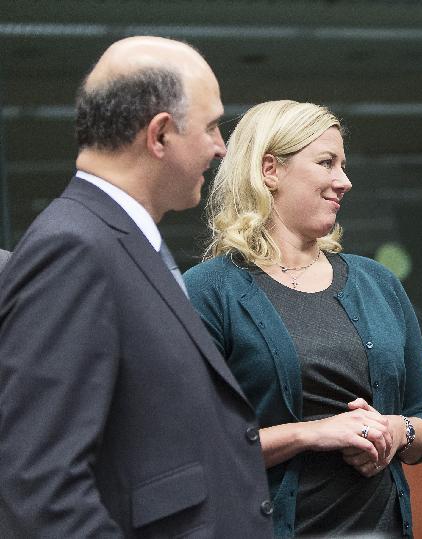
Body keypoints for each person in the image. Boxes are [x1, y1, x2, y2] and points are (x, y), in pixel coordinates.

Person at [0, 37, 272, 537]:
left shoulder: (118, 239)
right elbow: (40, 488)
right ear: (160, 135)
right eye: (212, 126)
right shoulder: (73, 248)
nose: (222, 146)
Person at [183, 100, 422, 538]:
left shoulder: (377, 282)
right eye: (326, 162)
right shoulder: (210, 291)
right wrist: (311, 434)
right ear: (270, 170)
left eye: (342, 164)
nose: (343, 181)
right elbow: (196, 450)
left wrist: (394, 432)